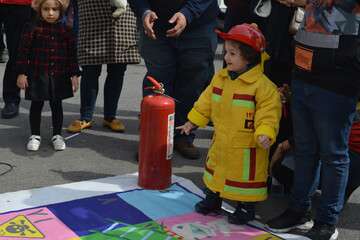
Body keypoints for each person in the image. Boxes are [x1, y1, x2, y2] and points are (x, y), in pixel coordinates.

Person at [266, 0, 360, 238]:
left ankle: (326, 222)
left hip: (338, 79)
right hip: (304, 72)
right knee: (306, 150)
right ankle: (298, 209)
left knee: (333, 155)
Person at [177, 23, 282, 224]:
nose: (226, 58)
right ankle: (213, 199)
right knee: (217, 169)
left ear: (249, 57)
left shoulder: (263, 87)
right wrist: (192, 121)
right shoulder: (221, 78)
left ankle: (246, 207)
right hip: (222, 140)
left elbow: (269, 113)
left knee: (245, 179)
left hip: (247, 146)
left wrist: (265, 132)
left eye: (232, 54)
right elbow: (206, 100)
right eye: (226, 52)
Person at [129, 0, 219, 160]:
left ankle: (183, 136)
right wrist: (144, 11)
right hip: (156, 27)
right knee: (157, 83)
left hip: (198, 27)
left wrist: (187, 13)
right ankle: (153, 140)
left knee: (192, 83)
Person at [67, 0, 140, 133]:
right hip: (91, 11)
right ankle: (86, 117)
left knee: (118, 69)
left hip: (123, 17)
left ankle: (110, 117)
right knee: (89, 69)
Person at [16, 0, 80, 151]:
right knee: (36, 104)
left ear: (61, 11)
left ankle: (57, 135)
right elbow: (22, 52)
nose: (50, 13)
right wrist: (22, 73)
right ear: (39, 9)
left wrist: (74, 74)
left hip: (59, 75)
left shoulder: (66, 30)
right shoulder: (32, 28)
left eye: (54, 9)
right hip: (38, 74)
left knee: (57, 105)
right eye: (46, 9)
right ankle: (35, 135)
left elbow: (72, 55)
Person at [0, 0, 32, 119]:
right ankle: (11, 99)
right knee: (15, 53)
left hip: (26, 5)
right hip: (7, 4)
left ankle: (13, 99)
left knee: (20, 52)